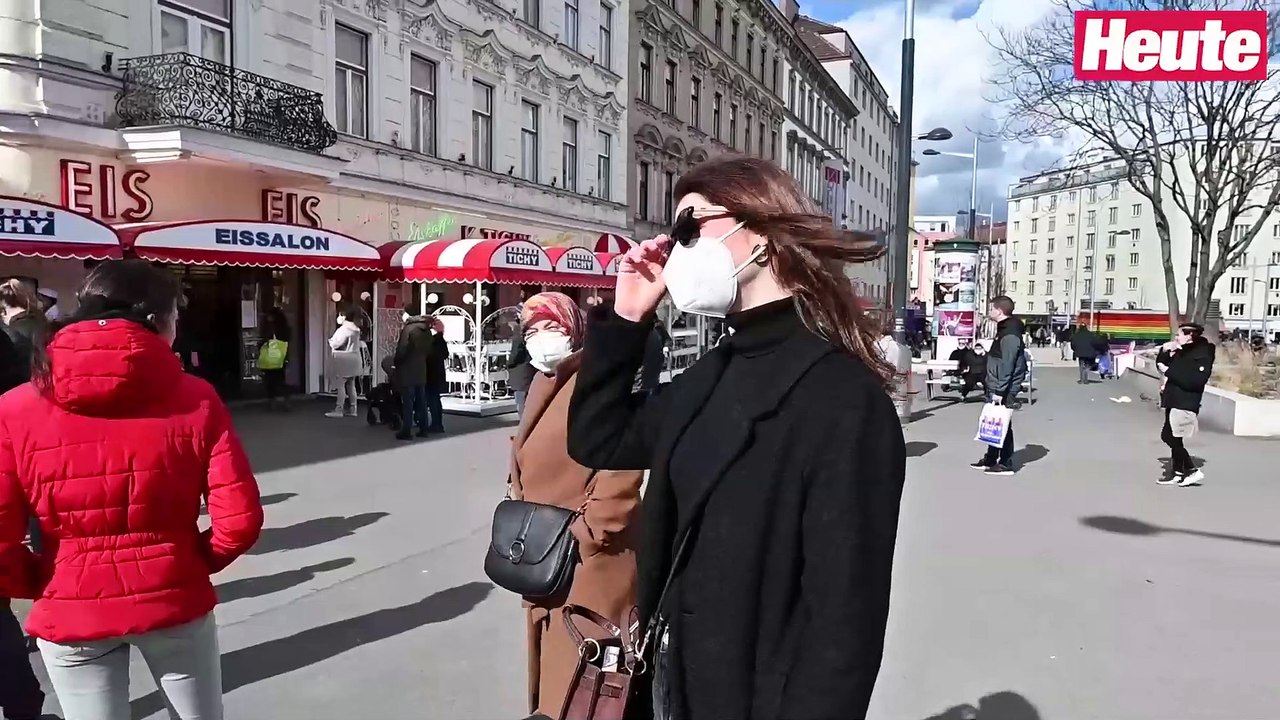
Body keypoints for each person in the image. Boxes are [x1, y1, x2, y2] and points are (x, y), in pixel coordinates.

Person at [566, 157, 906, 720]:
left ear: (763, 231)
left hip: (752, 694)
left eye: (689, 230)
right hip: (671, 685)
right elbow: (599, 439)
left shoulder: (843, 399)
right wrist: (626, 318)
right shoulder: (713, 370)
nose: (676, 250)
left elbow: (844, 625)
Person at [0, 259, 263, 720]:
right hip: (173, 595)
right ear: (159, 321)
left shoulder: (14, 407)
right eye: (176, 319)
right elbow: (239, 520)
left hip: (70, 604)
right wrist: (186, 561)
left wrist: (40, 580)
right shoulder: (196, 397)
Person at [509, 292, 645, 718]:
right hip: (547, 558)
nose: (540, 339)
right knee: (558, 681)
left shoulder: (597, 381)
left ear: (575, 330)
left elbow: (622, 466)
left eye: (552, 327)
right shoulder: (543, 382)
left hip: (591, 563)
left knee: (588, 688)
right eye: (532, 331)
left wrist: (586, 534)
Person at [971, 296, 1027, 475]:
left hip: (1003, 387)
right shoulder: (1004, 329)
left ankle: (1005, 462)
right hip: (997, 384)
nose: (989, 312)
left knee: (1003, 423)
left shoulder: (1010, 333)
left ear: (999, 311)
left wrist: (1000, 390)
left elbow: (1008, 364)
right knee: (994, 421)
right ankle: (991, 458)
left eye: (991, 308)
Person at [1156, 323, 1215, 486]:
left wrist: (1168, 371)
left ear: (1189, 336)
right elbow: (1161, 365)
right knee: (1172, 436)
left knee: (1170, 436)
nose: (1176, 338)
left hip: (1185, 401)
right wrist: (1165, 351)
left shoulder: (1202, 354)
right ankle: (1177, 472)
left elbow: (1195, 381)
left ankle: (1191, 470)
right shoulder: (1181, 352)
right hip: (1173, 399)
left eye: (1179, 335)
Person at [393, 311, 432, 439]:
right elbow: (429, 350)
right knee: (422, 400)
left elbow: (402, 349)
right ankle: (424, 428)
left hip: (408, 369)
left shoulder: (408, 329)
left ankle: (406, 430)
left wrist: (396, 363)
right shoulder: (426, 331)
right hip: (422, 368)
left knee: (408, 402)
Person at [1, 279, 46, 389]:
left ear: (4, 308)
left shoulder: (14, 330)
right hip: (42, 383)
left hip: (23, 387)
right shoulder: (41, 320)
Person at [327, 304, 364, 418]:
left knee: (341, 385)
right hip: (354, 359)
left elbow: (336, 344)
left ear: (344, 315)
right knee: (351, 385)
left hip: (343, 360)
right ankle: (353, 409)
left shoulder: (343, 330)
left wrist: (330, 341)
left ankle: (339, 409)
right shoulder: (356, 329)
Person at [262, 307, 292, 410]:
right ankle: (286, 400)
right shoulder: (284, 328)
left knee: (270, 380)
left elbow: (265, 339)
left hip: (271, 356)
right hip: (280, 356)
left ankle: (272, 402)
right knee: (280, 379)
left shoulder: (270, 327)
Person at [508, 317, 535, 418]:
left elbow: (515, 354)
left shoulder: (518, 333)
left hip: (520, 373)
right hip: (529, 370)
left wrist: (508, 363)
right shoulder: (531, 331)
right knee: (527, 400)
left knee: (521, 402)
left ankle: (524, 426)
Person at [425, 317, 448, 433]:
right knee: (436, 399)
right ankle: (438, 423)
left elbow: (429, 356)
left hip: (431, 373)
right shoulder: (441, 339)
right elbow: (445, 355)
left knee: (432, 399)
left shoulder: (432, 341)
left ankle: (435, 424)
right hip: (438, 373)